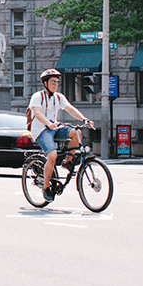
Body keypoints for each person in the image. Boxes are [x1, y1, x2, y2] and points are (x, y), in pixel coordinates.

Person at [28, 69, 93, 202]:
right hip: (41, 130)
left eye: (57, 82)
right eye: (53, 82)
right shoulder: (37, 96)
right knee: (52, 155)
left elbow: (70, 109)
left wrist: (84, 120)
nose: (55, 85)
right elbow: (37, 113)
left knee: (77, 133)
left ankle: (67, 162)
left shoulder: (59, 97)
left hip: (55, 127)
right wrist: (48, 123)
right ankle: (46, 188)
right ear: (45, 83)